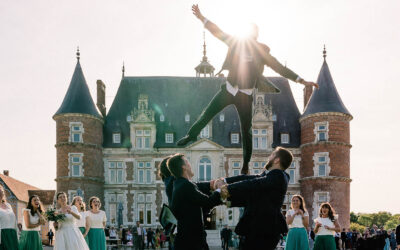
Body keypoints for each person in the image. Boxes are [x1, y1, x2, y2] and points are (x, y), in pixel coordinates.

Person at [177, 4, 318, 175]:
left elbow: (280, 68)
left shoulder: (262, 51)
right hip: (229, 89)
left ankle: (245, 164)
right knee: (207, 113)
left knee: (246, 130)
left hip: (245, 94)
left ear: (256, 36)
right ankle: (191, 136)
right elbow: (217, 32)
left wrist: (301, 80)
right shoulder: (236, 42)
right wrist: (202, 18)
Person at [213, 147, 292, 249]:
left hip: (265, 230)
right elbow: (246, 179)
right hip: (254, 228)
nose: (269, 157)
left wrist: (228, 188)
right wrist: (225, 180)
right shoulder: (268, 176)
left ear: (277, 160)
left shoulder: (279, 176)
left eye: (272, 154)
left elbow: (254, 183)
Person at [168, 153, 222, 250]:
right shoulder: (186, 185)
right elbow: (208, 202)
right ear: (183, 167)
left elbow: (201, 204)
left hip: (187, 241)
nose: (190, 165)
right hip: (191, 243)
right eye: (187, 162)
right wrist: (220, 189)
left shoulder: (179, 184)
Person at [0, 184, 19, 249]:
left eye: (1, 190)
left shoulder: (8, 205)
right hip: (2, 235)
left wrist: (16, 236)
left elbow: (14, 222)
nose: (1, 191)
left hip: (12, 234)